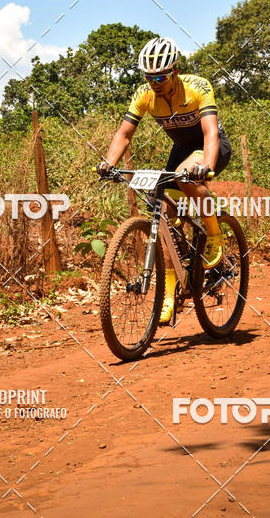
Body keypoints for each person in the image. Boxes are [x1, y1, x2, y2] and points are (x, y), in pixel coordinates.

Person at [97, 36, 231, 324]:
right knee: (165, 220)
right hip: (182, 151)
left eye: (160, 75)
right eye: (149, 76)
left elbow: (210, 133)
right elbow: (124, 133)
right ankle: (170, 293)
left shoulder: (197, 87)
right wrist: (109, 163)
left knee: (185, 176)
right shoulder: (144, 95)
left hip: (211, 147)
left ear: (175, 72)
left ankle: (214, 234)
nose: (154, 81)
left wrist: (206, 166)